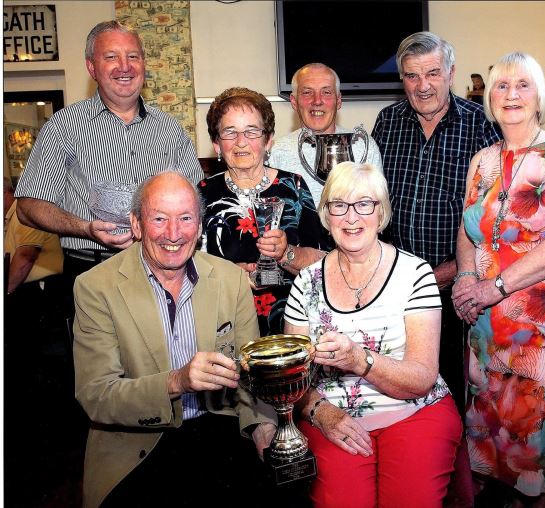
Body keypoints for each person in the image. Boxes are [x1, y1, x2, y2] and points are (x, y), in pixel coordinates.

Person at [73, 172, 277, 508]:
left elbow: (250, 378)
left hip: (218, 429)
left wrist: (261, 426)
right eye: (159, 219)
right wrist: (176, 381)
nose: (173, 233)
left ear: (199, 226)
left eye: (185, 218)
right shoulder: (96, 287)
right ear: (136, 224)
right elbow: (97, 395)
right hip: (138, 443)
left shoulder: (230, 280)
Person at [452, 52, 545, 508]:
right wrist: (465, 277)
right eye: (501, 85)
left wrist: (494, 287)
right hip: (488, 319)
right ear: (489, 99)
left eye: (522, 85)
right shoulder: (482, 161)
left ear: (539, 98)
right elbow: (468, 228)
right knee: (501, 425)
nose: (511, 94)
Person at [284, 162, 462, 508]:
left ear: (381, 213)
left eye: (364, 204)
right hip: (334, 418)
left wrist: (359, 359)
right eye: (339, 205)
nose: (351, 217)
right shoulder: (305, 283)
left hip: (415, 412)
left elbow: (422, 378)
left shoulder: (415, 274)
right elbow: (294, 379)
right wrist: (320, 412)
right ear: (326, 215)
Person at [14, 20, 203, 298]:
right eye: (111, 57)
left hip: (166, 273)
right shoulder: (64, 127)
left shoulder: (170, 129)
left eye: (133, 56)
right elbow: (27, 207)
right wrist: (86, 229)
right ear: (92, 67)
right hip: (92, 270)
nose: (124, 67)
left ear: (144, 64)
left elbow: (198, 199)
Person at [372, 31, 501, 421]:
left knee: (455, 393)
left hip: (456, 290)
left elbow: (496, 218)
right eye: (412, 76)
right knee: (398, 392)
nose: (423, 85)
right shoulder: (387, 123)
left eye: (432, 73)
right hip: (393, 291)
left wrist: (452, 273)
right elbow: (372, 202)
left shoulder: (481, 124)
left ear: (451, 73)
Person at [199, 87, 330, 336]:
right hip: (227, 325)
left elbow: (324, 264)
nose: (241, 142)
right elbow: (189, 269)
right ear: (216, 143)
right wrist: (232, 277)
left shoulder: (293, 187)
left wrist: (286, 253)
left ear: (268, 140)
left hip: (292, 323)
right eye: (230, 132)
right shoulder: (203, 194)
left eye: (252, 131)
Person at [269, 63, 383, 206]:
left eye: (326, 92)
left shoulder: (364, 146)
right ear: (294, 102)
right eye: (307, 92)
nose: (317, 101)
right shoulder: (275, 151)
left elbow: (378, 208)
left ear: (338, 101)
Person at [4, 176, 63, 296]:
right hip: (25, 286)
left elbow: (26, 257)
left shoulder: (25, 214)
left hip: (39, 289)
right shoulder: (11, 215)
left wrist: (5, 291)